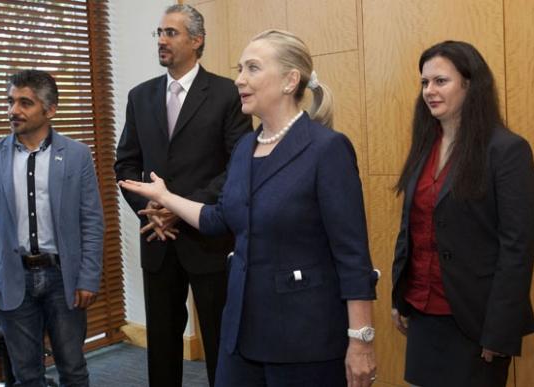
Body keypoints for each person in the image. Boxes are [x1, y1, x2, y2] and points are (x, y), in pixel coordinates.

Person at [119, 29, 378, 387]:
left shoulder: (327, 150)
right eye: (240, 68)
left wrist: (361, 338)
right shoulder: (244, 149)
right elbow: (218, 218)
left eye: (253, 68)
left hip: (305, 340)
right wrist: (165, 197)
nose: (240, 79)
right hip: (241, 333)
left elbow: (352, 256)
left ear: (290, 80)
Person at [113, 4, 252, 387]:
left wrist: (180, 207)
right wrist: (151, 209)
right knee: (161, 343)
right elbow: (125, 165)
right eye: (158, 33)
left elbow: (238, 164)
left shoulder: (228, 93)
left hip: (208, 239)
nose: (161, 40)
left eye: (171, 33)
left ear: (197, 39)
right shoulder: (139, 97)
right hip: (157, 238)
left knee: (220, 340)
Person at [391, 40, 534, 387]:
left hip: (476, 321)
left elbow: (517, 247)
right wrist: (400, 296)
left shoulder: (506, 150)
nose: (429, 91)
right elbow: (411, 225)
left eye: (440, 81)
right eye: (424, 82)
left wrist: (499, 332)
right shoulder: (425, 145)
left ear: (470, 85)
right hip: (424, 314)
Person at [0, 69, 104, 386]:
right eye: (10, 101)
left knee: (73, 368)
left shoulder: (76, 155)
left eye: (25, 102)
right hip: (13, 279)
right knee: (26, 374)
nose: (14, 110)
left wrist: (88, 277)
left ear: (50, 109)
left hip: (63, 278)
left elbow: (91, 221)